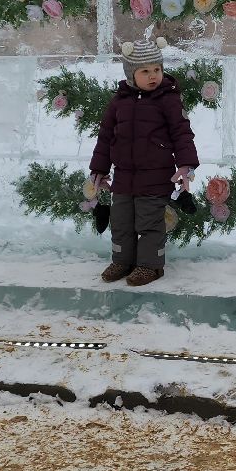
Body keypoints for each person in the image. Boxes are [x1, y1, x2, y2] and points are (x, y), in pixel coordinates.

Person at [88, 38, 199, 287]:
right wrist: (99, 169)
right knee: (121, 221)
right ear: (131, 74)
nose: (153, 76)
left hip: (156, 176)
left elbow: (182, 134)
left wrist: (186, 165)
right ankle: (122, 261)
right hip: (124, 177)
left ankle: (151, 266)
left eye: (157, 69)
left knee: (149, 223)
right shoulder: (119, 102)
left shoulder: (168, 100)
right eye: (145, 71)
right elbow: (106, 136)